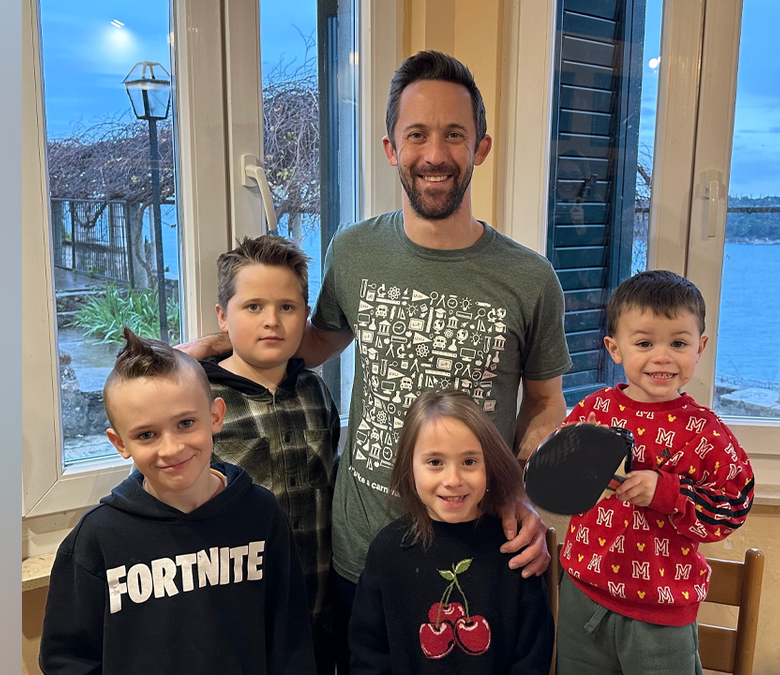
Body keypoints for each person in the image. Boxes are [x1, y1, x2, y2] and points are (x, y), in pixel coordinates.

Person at [178, 50, 570, 672]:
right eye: (416, 134)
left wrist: (520, 489)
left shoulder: (531, 278)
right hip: (360, 550)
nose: (434, 153)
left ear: (482, 147)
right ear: (391, 147)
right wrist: (209, 349)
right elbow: (312, 342)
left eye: (454, 135)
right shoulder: (355, 251)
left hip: (477, 550)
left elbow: (547, 403)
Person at [39, 327, 316, 675]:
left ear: (216, 416)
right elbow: (67, 661)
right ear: (119, 442)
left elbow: (290, 639)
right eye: (146, 434)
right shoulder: (96, 540)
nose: (171, 449)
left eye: (185, 423)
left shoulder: (261, 514)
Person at [553, 270, 755, 675]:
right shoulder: (594, 412)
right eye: (644, 343)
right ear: (614, 348)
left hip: (662, 613)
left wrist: (668, 494)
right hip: (581, 597)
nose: (662, 357)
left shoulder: (707, 432)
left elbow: (733, 506)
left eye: (678, 343)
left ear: (699, 348)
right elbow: (556, 471)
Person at [199, 234, 341, 675]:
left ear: (305, 316)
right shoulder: (199, 402)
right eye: (253, 306)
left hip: (318, 612)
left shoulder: (315, 391)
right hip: (237, 619)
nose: (272, 321)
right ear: (223, 317)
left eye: (287, 307)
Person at [349, 390, 554, 675]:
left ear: (489, 466)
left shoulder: (515, 547)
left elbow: (533, 654)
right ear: (410, 467)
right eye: (435, 462)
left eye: (469, 462)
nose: (453, 480)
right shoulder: (387, 551)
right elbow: (368, 656)